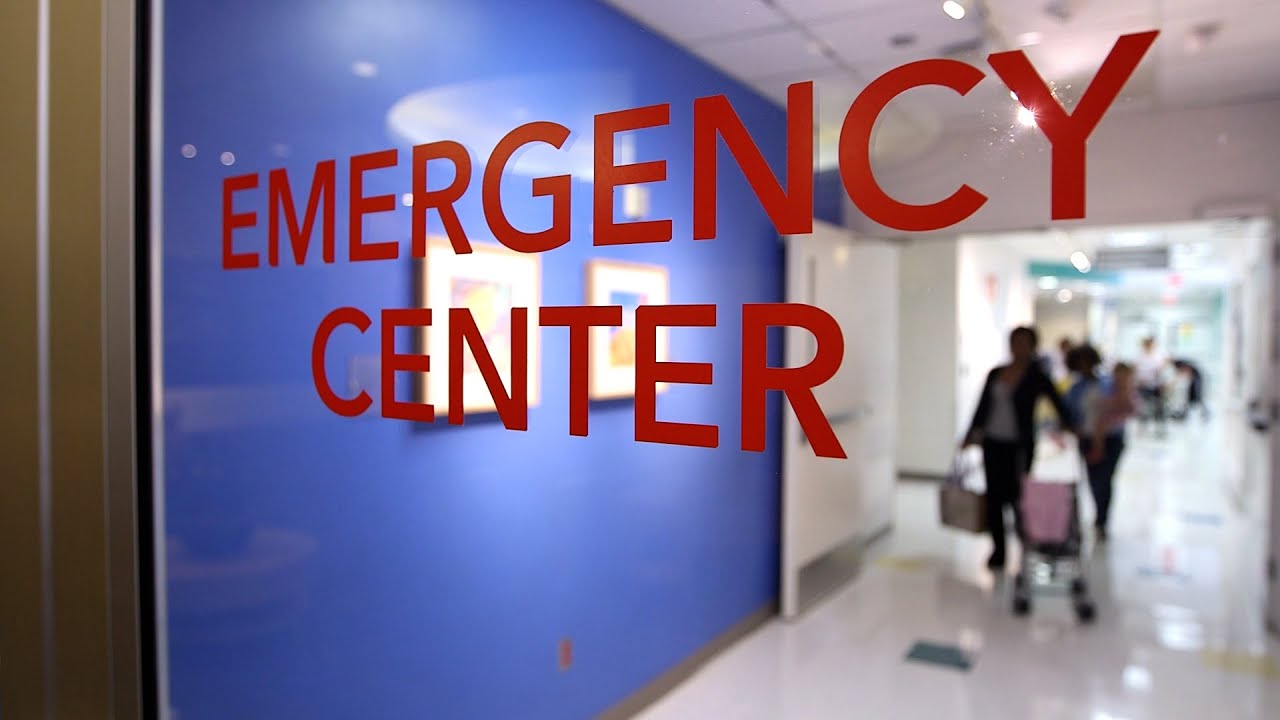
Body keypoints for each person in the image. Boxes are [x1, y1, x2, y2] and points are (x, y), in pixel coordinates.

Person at [964, 326, 1076, 570]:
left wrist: (1071, 426)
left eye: (1024, 343)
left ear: (1032, 346)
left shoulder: (1037, 376)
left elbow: (1057, 403)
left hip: (1019, 446)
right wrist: (970, 435)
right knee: (994, 496)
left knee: (1018, 497)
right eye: (1014, 342)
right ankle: (999, 550)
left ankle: (1024, 546)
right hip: (993, 443)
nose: (1018, 348)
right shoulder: (997, 373)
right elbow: (982, 407)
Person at [1066, 348, 1137, 541]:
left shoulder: (1108, 382)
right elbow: (1068, 414)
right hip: (1088, 438)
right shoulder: (1076, 388)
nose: (1084, 366)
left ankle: (1102, 520)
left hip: (1112, 438)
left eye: (1087, 361)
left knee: (1105, 479)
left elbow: (1129, 406)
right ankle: (1099, 514)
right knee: (1094, 479)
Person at [1135, 336, 1168, 437]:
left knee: (1159, 407)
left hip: (1156, 386)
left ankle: (1160, 429)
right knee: (1143, 407)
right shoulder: (1140, 357)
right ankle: (1142, 427)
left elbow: (1162, 371)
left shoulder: (1158, 357)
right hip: (1143, 386)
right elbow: (1137, 372)